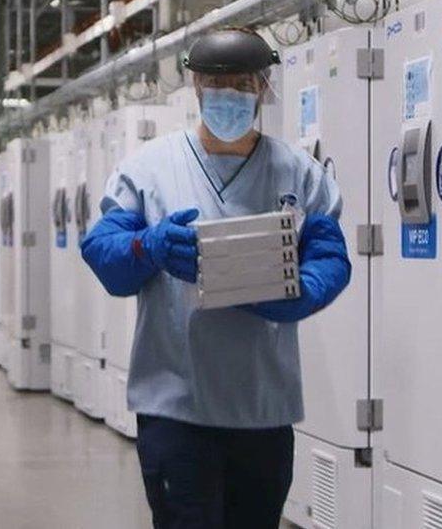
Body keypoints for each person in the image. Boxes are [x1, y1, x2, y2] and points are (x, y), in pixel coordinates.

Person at [80, 28, 351, 529]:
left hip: (263, 410)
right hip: (176, 410)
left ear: (262, 88)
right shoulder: (148, 169)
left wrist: (305, 290)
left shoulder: (298, 173)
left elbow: (330, 256)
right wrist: (150, 245)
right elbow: (103, 252)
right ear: (197, 88)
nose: (229, 95)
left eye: (243, 85)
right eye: (216, 84)